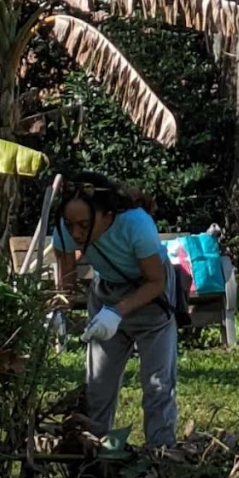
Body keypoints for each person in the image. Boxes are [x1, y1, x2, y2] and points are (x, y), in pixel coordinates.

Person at [51, 176, 178, 448]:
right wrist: (56, 309)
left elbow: (157, 282)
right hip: (107, 291)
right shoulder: (64, 229)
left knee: (157, 386)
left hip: (151, 299)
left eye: (84, 226)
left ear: (107, 216)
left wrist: (118, 312)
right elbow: (67, 285)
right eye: (70, 225)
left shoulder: (136, 224)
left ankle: (162, 456)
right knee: (97, 388)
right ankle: (93, 457)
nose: (75, 234)